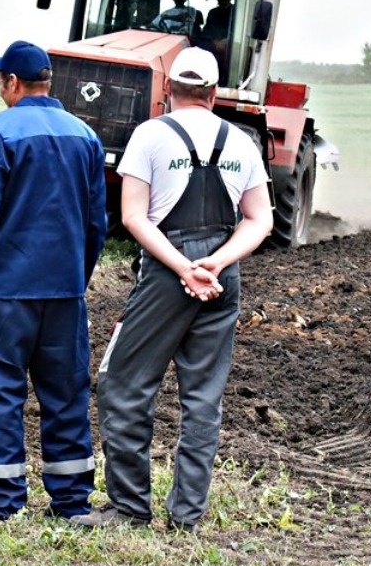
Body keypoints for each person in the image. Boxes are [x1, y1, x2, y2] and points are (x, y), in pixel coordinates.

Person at [73, 47, 272, 531]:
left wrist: (184, 268)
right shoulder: (241, 141)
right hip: (220, 277)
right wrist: (217, 263)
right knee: (203, 397)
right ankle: (187, 515)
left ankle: (128, 506)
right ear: (213, 91)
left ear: (170, 89)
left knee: (123, 383)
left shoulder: (150, 135)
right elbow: (260, 219)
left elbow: (133, 217)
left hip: (168, 272)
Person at [0, 40, 107, 521]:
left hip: (8, 292)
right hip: (64, 292)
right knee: (66, 394)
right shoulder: (85, 135)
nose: (0, 90)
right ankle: (72, 503)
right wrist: (75, 278)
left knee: (2, 394)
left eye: (0, 81)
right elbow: (96, 222)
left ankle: (2, 503)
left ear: (14, 83)